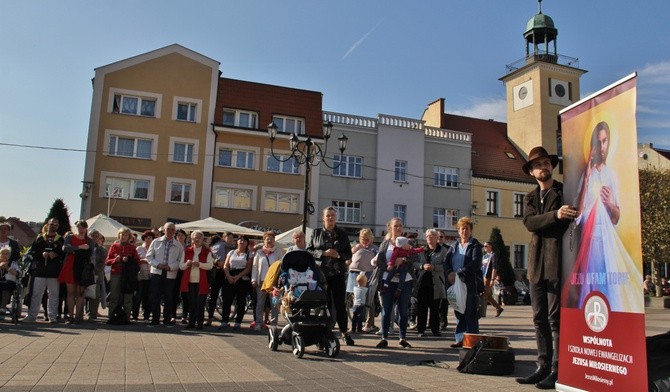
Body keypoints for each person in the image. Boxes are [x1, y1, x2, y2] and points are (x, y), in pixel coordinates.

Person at [565, 121, 643, 311]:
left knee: (610, 288)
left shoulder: (612, 175)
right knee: (590, 288)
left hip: (608, 242)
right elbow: (578, 214)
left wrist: (610, 205)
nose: (601, 147)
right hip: (590, 242)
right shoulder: (586, 175)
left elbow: (616, 218)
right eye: (597, 142)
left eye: (605, 141)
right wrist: (587, 177)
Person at [516, 146, 575, 390]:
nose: (543, 167)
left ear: (551, 166)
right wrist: (555, 216)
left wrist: (556, 217)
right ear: (532, 171)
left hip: (556, 262)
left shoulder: (562, 191)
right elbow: (530, 223)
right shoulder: (530, 197)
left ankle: (557, 370)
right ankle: (542, 366)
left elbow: (564, 222)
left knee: (555, 319)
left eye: (546, 163)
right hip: (535, 265)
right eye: (538, 164)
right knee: (538, 318)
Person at [307, 206, 354, 346]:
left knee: (340, 305)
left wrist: (339, 255)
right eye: (328, 216)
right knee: (321, 304)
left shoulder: (342, 233)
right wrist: (323, 253)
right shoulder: (316, 233)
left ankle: (345, 333)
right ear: (323, 218)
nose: (330, 218)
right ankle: (322, 333)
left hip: (337, 274)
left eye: (333, 215)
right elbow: (309, 250)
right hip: (321, 275)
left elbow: (348, 254)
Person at [370, 217, 414, 349]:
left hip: (404, 280)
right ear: (390, 228)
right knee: (387, 309)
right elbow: (380, 261)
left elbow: (416, 258)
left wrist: (405, 258)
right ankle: (384, 337)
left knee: (403, 310)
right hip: (387, 280)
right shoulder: (385, 243)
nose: (398, 228)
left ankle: (402, 338)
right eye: (396, 226)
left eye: (400, 226)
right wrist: (391, 265)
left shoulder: (409, 242)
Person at [444, 217, 483, 348]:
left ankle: (472, 340)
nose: (464, 231)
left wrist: (459, 273)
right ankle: (460, 338)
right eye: (462, 229)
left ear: (471, 230)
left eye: (467, 228)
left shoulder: (475, 245)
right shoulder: (454, 246)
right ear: (458, 231)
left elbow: (476, 263)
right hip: (455, 284)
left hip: (468, 283)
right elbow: (446, 261)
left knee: (470, 312)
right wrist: (449, 272)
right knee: (458, 311)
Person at [22, 218, 64, 323]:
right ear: (47, 225)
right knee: (36, 294)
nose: (52, 225)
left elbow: (64, 255)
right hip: (40, 271)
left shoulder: (60, 240)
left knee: (53, 295)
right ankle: (32, 315)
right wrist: (41, 254)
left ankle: (52, 316)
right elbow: (32, 252)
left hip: (54, 272)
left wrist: (56, 255)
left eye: (55, 224)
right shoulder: (40, 238)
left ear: (57, 226)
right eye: (51, 223)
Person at [146, 222, 184, 327]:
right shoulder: (156, 241)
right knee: (155, 297)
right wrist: (158, 265)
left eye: (173, 230)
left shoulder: (178, 245)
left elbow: (180, 261)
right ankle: (155, 319)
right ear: (164, 230)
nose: (171, 231)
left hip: (170, 274)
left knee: (169, 298)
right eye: (168, 229)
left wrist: (170, 267)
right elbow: (149, 257)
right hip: (156, 273)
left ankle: (167, 319)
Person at [58, 220, 95, 325]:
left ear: (86, 228)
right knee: (70, 293)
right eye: (79, 227)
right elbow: (65, 248)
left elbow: (90, 251)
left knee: (80, 293)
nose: (81, 229)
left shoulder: (89, 240)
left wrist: (75, 250)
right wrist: (79, 247)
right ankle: (70, 316)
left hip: (83, 267)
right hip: (70, 265)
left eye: (83, 227)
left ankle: (78, 317)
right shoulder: (70, 237)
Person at [413, 228, 447, 337]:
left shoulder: (443, 251)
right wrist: (422, 266)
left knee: (434, 308)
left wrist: (434, 267)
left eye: (432, 236)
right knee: (422, 308)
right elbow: (414, 263)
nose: (429, 238)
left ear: (437, 238)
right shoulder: (422, 250)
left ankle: (435, 329)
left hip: (436, 284)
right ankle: (421, 330)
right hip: (422, 283)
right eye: (427, 236)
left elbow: (446, 266)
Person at [179, 230, 214, 329]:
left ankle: (199, 323)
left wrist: (199, 264)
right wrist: (187, 264)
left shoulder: (206, 251)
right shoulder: (187, 250)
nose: (196, 239)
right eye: (194, 237)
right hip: (189, 281)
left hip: (201, 281)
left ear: (203, 239)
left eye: (199, 237)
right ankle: (191, 323)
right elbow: (181, 266)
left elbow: (210, 265)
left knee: (200, 303)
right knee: (191, 303)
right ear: (191, 239)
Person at [105, 228, 140, 324]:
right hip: (116, 272)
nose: (123, 236)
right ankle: (111, 316)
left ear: (129, 237)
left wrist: (128, 259)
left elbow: (137, 262)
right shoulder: (114, 246)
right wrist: (114, 260)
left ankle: (127, 317)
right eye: (122, 234)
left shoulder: (132, 248)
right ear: (119, 235)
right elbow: (107, 261)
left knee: (128, 296)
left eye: (125, 235)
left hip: (128, 275)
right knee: (114, 296)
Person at [251, 231, 284, 331]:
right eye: (267, 239)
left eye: (271, 239)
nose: (269, 241)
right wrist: (253, 279)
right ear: (264, 240)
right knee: (260, 303)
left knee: (274, 304)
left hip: (274, 283)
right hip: (261, 282)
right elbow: (255, 266)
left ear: (274, 240)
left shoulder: (278, 252)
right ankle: (259, 323)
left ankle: (274, 324)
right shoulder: (259, 252)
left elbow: (281, 266)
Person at [219, 236, 252, 330]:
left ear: (247, 243)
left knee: (241, 301)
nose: (242, 241)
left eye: (244, 240)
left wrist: (238, 277)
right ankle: (224, 321)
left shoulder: (249, 254)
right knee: (227, 300)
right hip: (230, 276)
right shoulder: (231, 252)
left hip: (242, 278)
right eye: (240, 240)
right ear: (237, 242)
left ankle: (238, 322)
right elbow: (226, 265)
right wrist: (228, 275)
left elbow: (248, 268)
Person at [348, 228, 378, 333]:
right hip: (354, 273)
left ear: (371, 239)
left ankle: (369, 324)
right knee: (355, 301)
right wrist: (355, 248)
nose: (364, 241)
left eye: (367, 239)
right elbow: (349, 257)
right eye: (362, 239)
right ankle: (355, 324)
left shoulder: (374, 248)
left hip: (368, 274)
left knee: (369, 300)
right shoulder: (356, 246)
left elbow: (378, 260)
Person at [206, 232, 235, 326]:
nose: (230, 239)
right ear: (223, 238)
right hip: (221, 272)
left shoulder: (218, 246)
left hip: (220, 272)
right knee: (224, 297)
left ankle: (212, 319)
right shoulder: (223, 245)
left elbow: (213, 258)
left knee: (219, 297)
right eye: (228, 237)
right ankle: (223, 320)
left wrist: (216, 262)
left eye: (232, 238)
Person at [133, 230, 154, 321]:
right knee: (138, 296)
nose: (149, 239)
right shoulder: (139, 249)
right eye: (147, 238)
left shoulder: (154, 249)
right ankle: (135, 315)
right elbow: (136, 260)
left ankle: (146, 316)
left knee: (148, 297)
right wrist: (143, 260)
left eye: (150, 238)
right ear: (144, 239)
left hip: (151, 276)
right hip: (140, 276)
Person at [86, 229, 107, 320]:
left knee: (95, 294)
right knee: (84, 294)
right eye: (92, 236)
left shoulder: (102, 249)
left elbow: (103, 262)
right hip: (86, 273)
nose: (94, 238)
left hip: (97, 274)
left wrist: (95, 269)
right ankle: (83, 313)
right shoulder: (86, 247)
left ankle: (93, 314)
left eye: (97, 236)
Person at [481, 242, 504, 317]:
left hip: (489, 277)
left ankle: (483, 312)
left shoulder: (493, 255)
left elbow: (494, 268)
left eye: (486, 246)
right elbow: (482, 267)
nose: (484, 248)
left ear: (490, 246)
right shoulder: (484, 256)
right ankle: (498, 308)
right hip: (483, 277)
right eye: (484, 246)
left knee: (485, 294)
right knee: (486, 294)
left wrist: (492, 279)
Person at [174, 228, 189, 324]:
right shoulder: (173, 246)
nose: (180, 237)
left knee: (185, 295)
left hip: (185, 273)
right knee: (174, 294)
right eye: (178, 235)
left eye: (182, 235)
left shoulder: (188, 248)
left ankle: (184, 316)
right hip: (175, 272)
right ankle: (173, 316)